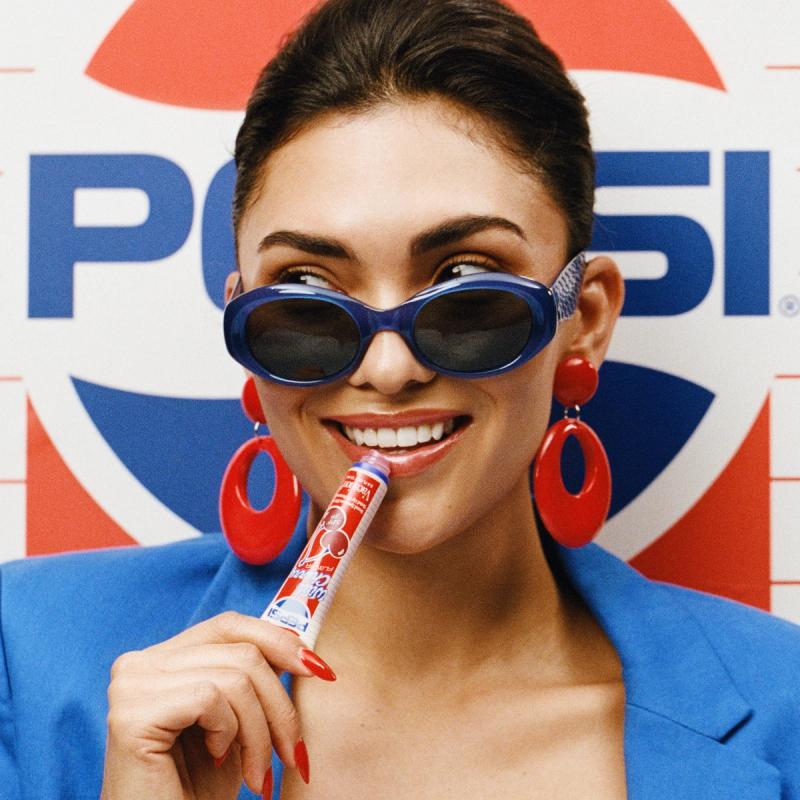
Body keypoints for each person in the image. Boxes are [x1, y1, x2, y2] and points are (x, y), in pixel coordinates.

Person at [2, 0, 799, 798]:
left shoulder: (780, 710)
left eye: (465, 285)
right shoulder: (26, 661)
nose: (387, 367)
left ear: (581, 320)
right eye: (308, 296)